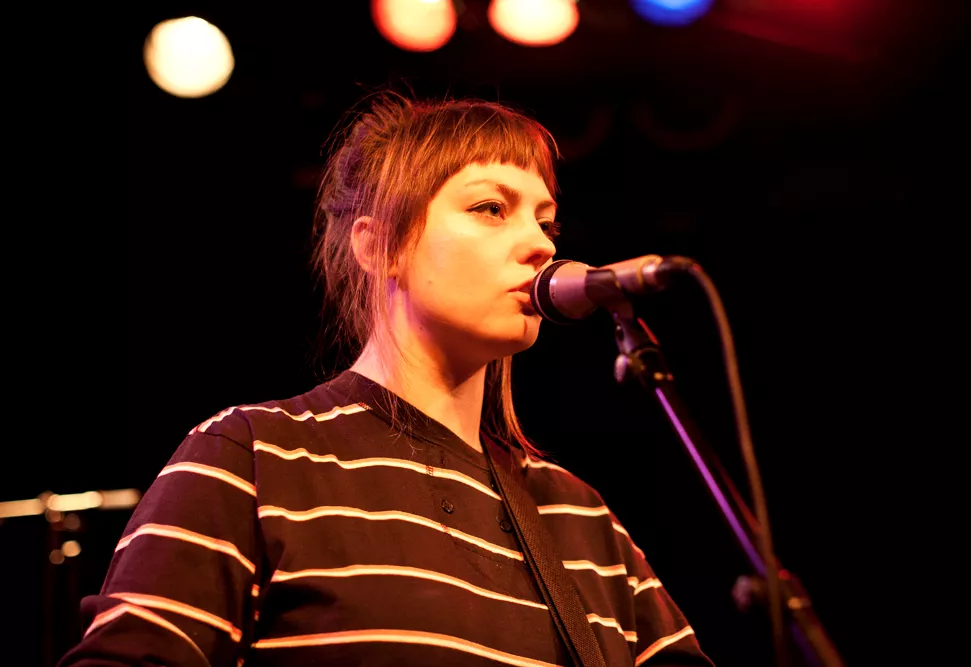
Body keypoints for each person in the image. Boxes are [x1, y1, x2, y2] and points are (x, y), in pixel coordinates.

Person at [60, 92, 714, 666]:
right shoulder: (252, 458)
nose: (542, 244)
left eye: (546, 221)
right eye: (491, 207)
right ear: (379, 247)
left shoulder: (581, 518)